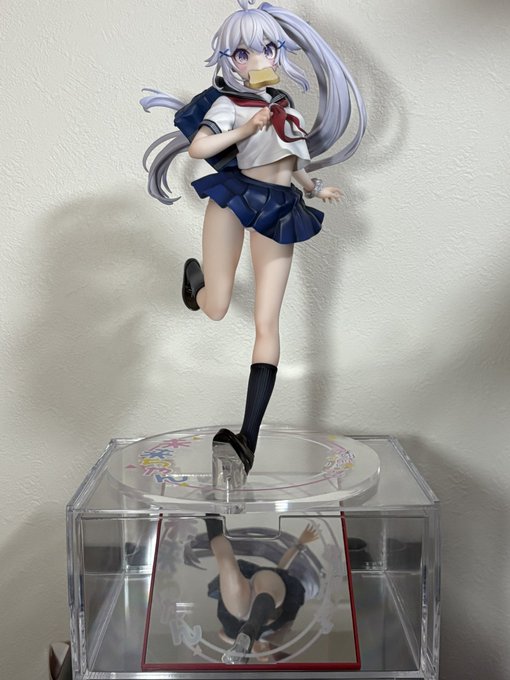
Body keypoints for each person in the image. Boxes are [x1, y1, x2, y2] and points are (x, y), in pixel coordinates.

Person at [141, 0, 366, 484]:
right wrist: (245, 127)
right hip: (234, 199)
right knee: (218, 307)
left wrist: (314, 188)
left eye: (266, 49)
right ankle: (197, 286)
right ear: (228, 59)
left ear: (279, 52)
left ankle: (247, 440)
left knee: (267, 322)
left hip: (280, 208)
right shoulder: (228, 105)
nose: (257, 60)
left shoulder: (285, 108)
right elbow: (200, 147)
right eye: (242, 53)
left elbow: (291, 161)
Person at [205, 514, 319, 663]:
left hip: (243, 610)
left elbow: (222, 634)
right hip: (269, 592)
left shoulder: (248, 632)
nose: (264, 651)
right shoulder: (276, 632)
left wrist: (252, 647)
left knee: (228, 566)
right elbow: (281, 569)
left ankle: (212, 519)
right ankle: (251, 628)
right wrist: (299, 544)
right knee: (269, 589)